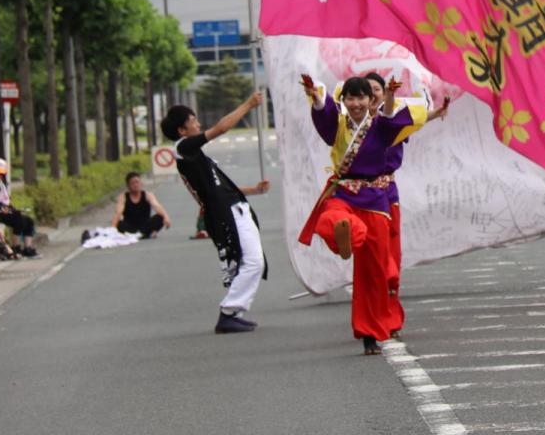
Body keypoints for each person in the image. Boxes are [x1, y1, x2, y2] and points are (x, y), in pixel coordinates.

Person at [299, 75, 424, 355]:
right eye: (350, 98)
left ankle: (370, 333)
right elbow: (323, 113)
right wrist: (316, 97)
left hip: (375, 201)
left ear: (370, 101)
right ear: (343, 100)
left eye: (361, 98)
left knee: (373, 273)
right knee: (332, 217)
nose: (355, 103)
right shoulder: (339, 125)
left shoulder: (380, 126)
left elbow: (390, 116)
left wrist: (389, 97)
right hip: (344, 193)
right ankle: (346, 237)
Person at [161, 92, 270, 335]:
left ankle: (234, 313)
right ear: (182, 130)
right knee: (253, 262)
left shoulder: (194, 155)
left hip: (232, 208)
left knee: (248, 261)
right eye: (193, 121)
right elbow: (220, 128)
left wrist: (254, 190)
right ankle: (229, 313)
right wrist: (248, 104)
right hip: (227, 213)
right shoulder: (183, 148)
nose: (198, 124)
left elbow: (217, 190)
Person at [362, 72, 450, 339]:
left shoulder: (394, 120)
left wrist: (437, 113)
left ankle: (389, 315)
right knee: (373, 261)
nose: (373, 93)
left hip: (388, 195)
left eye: (377, 89)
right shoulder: (354, 124)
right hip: (363, 197)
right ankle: (372, 317)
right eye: (368, 90)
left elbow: (414, 121)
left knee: (392, 260)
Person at [0, 158, 39, 258]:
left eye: (0, 174)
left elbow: (6, 201)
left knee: (29, 221)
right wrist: (0, 207)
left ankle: (27, 248)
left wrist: (12, 209)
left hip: (5, 212)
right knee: (19, 220)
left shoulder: (1, 185)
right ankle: (16, 247)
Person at [111, 172, 172, 238]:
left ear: (141, 183)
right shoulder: (123, 197)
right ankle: (143, 234)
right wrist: (112, 228)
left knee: (160, 217)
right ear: (128, 185)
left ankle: (141, 234)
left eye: (137, 182)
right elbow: (118, 212)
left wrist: (166, 217)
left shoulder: (148, 195)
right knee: (118, 223)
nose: (135, 185)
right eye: (132, 183)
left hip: (145, 225)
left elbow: (157, 206)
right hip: (130, 226)